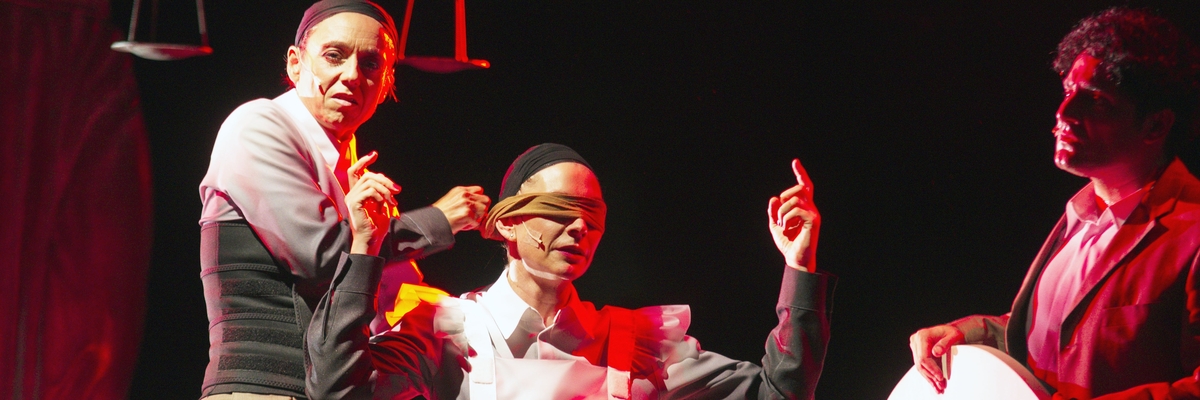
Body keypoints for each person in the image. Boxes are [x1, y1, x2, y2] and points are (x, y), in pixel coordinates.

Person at [306, 143, 836, 399]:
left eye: (594, 217)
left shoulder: (636, 348)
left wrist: (799, 266)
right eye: (559, 211)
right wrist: (364, 249)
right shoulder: (445, 333)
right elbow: (336, 390)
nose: (579, 228)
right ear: (508, 225)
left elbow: (778, 394)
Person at [196, 1, 490, 398]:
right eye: (334, 55)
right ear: (296, 64)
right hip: (262, 386)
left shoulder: (352, 172)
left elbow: (392, 291)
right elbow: (323, 255)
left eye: (370, 64)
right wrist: (438, 220)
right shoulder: (257, 125)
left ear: (386, 83)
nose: (351, 75)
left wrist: (484, 317)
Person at [908, 7, 1200, 400]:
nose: (1063, 113)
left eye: (1095, 101)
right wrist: (968, 333)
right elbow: (1054, 340)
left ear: (1156, 125)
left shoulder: (1192, 232)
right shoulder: (1078, 217)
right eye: (1067, 92)